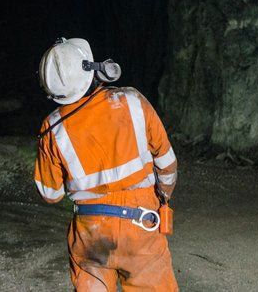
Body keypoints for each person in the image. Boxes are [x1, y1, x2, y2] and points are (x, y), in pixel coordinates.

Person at [34, 37, 178, 291]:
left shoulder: (52, 129)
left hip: (91, 236)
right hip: (141, 226)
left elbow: (50, 193)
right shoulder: (132, 101)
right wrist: (162, 198)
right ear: (91, 70)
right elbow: (167, 163)